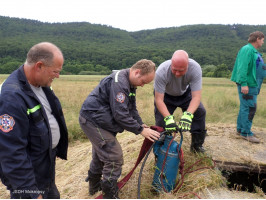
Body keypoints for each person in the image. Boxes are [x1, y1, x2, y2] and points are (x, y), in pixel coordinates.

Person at [79, 59, 160, 199]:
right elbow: (120, 114)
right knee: (113, 156)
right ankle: (109, 192)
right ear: (137, 72)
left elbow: (131, 108)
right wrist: (140, 130)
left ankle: (94, 188)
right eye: (143, 82)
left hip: (102, 121)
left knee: (100, 156)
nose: (142, 85)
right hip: (93, 121)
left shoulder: (130, 84)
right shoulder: (119, 83)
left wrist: (140, 124)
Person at [0, 42, 68, 198]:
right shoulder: (11, 98)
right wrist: (31, 193)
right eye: (55, 71)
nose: (57, 76)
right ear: (39, 66)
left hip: (44, 168)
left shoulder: (42, 84)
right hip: (28, 179)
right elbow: (11, 153)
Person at [154, 50, 207, 153]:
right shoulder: (161, 71)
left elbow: (196, 97)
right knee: (161, 121)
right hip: (166, 96)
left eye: (181, 70)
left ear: (188, 65)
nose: (177, 74)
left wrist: (188, 115)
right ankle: (162, 148)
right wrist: (168, 118)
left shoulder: (195, 68)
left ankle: (197, 146)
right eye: (174, 70)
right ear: (171, 64)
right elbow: (159, 99)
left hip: (185, 94)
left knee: (200, 112)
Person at [231, 31, 265, 143]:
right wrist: (244, 84)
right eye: (263, 39)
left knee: (245, 107)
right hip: (248, 85)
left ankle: (241, 130)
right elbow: (242, 67)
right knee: (250, 108)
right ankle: (246, 133)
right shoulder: (247, 49)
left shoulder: (253, 51)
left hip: (252, 85)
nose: (263, 42)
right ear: (258, 39)